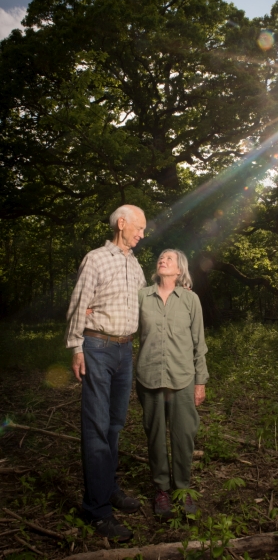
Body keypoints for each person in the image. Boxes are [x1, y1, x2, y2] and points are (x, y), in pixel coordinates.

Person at [65, 204, 146, 542]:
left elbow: (146, 300)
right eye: (139, 227)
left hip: (125, 350)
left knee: (115, 424)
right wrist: (76, 346)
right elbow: (79, 301)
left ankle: (108, 487)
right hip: (97, 348)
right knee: (97, 425)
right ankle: (96, 509)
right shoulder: (96, 258)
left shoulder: (135, 263)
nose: (142, 234)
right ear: (122, 223)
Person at [136, 249, 208, 518]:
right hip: (149, 376)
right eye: (161, 257)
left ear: (180, 270)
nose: (162, 260)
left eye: (169, 258)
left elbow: (199, 345)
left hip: (182, 379)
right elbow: (123, 322)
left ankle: (182, 488)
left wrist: (200, 381)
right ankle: (162, 490)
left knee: (184, 436)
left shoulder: (190, 299)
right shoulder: (142, 295)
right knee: (154, 437)